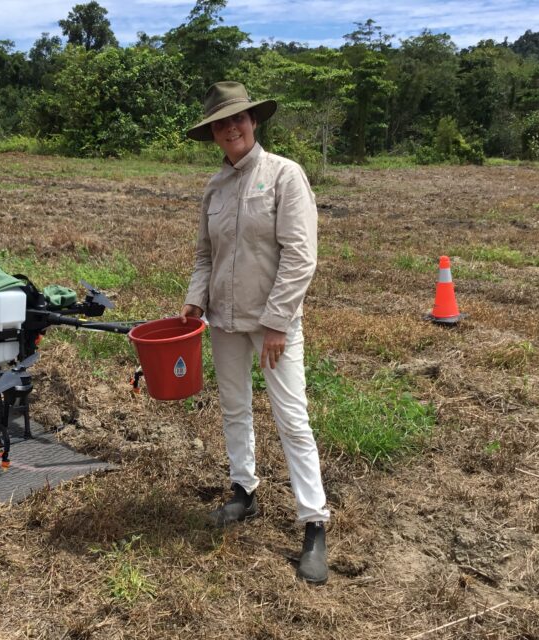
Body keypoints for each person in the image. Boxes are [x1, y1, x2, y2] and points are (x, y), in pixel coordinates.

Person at [180, 81, 329, 584]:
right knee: (234, 407)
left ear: (254, 121)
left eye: (238, 119)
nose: (231, 128)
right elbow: (206, 254)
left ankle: (313, 522)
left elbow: (300, 257)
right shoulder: (215, 187)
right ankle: (244, 491)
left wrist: (276, 322)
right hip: (222, 319)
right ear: (214, 134)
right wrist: (195, 297)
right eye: (222, 123)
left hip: (274, 327)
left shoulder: (285, 175)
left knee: (291, 417)